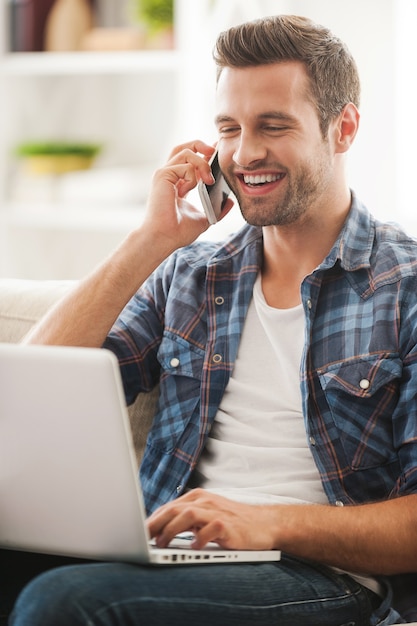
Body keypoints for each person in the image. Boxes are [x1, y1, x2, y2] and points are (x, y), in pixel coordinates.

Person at [7, 14, 417, 626]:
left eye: (272, 126)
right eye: (229, 128)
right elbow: (27, 394)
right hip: (174, 555)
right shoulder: (192, 274)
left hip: (326, 578)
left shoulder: (403, 285)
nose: (245, 152)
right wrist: (150, 240)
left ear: (344, 128)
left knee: (64, 603)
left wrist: (265, 521)